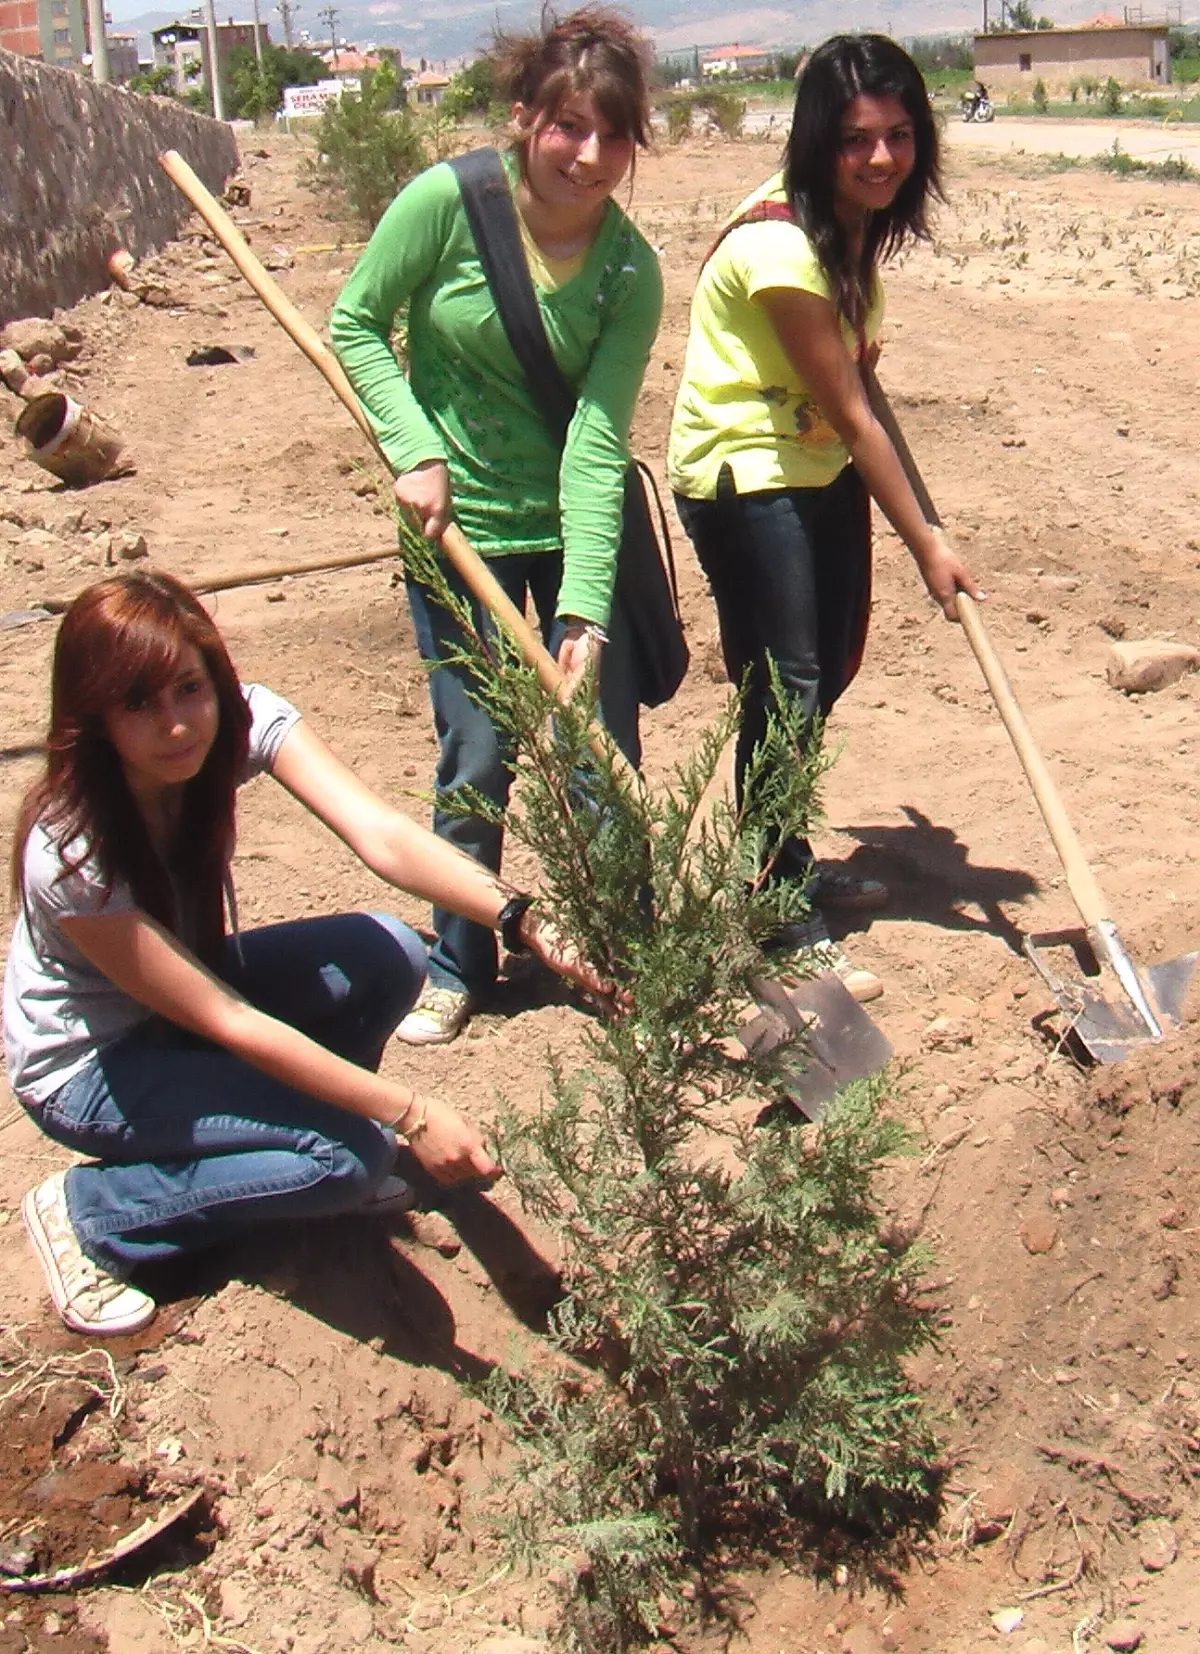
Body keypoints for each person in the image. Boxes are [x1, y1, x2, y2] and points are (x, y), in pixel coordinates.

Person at [5, 571, 614, 1338]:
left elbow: (381, 835)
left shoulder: (241, 723)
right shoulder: (70, 849)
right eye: (139, 703)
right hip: (95, 1067)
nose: (176, 726)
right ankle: (91, 1215)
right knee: (348, 1157)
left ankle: (289, 1154)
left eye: (189, 689)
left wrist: (521, 917)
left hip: (189, 1003)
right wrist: (410, 1112)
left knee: (390, 953)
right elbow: (230, 1021)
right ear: (94, 717)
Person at [330, 6, 663, 1046]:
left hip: (570, 529)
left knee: (596, 751)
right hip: (453, 526)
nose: (590, 154)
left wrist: (584, 609)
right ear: (525, 119)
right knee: (475, 752)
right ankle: (456, 961)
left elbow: (597, 443)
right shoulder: (447, 203)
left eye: (613, 134)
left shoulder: (629, 273)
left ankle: (630, 951)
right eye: (569, 126)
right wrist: (412, 447)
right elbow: (356, 321)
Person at [667, 33, 980, 1002]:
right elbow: (846, 407)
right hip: (745, 472)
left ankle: (786, 850)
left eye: (897, 136)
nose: (881, 158)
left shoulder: (851, 228)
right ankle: (769, 895)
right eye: (856, 140)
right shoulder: (779, 243)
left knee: (829, 665)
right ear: (817, 141)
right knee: (790, 678)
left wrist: (926, 519)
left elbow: (863, 390)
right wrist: (924, 542)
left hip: (815, 466)